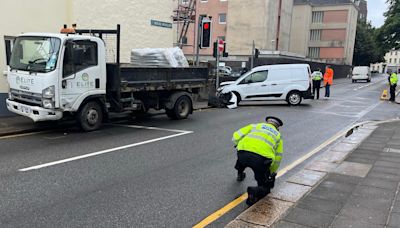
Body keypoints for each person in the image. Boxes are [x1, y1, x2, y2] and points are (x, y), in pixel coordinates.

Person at [232, 116, 283, 206]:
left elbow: (236, 135)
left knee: (241, 160)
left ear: (267, 122)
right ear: (277, 127)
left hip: (242, 155)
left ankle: (240, 174)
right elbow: (278, 157)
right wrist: (271, 172)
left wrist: (237, 145)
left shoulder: (255, 126)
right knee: (265, 187)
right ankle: (254, 192)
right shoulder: (278, 135)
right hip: (261, 161)